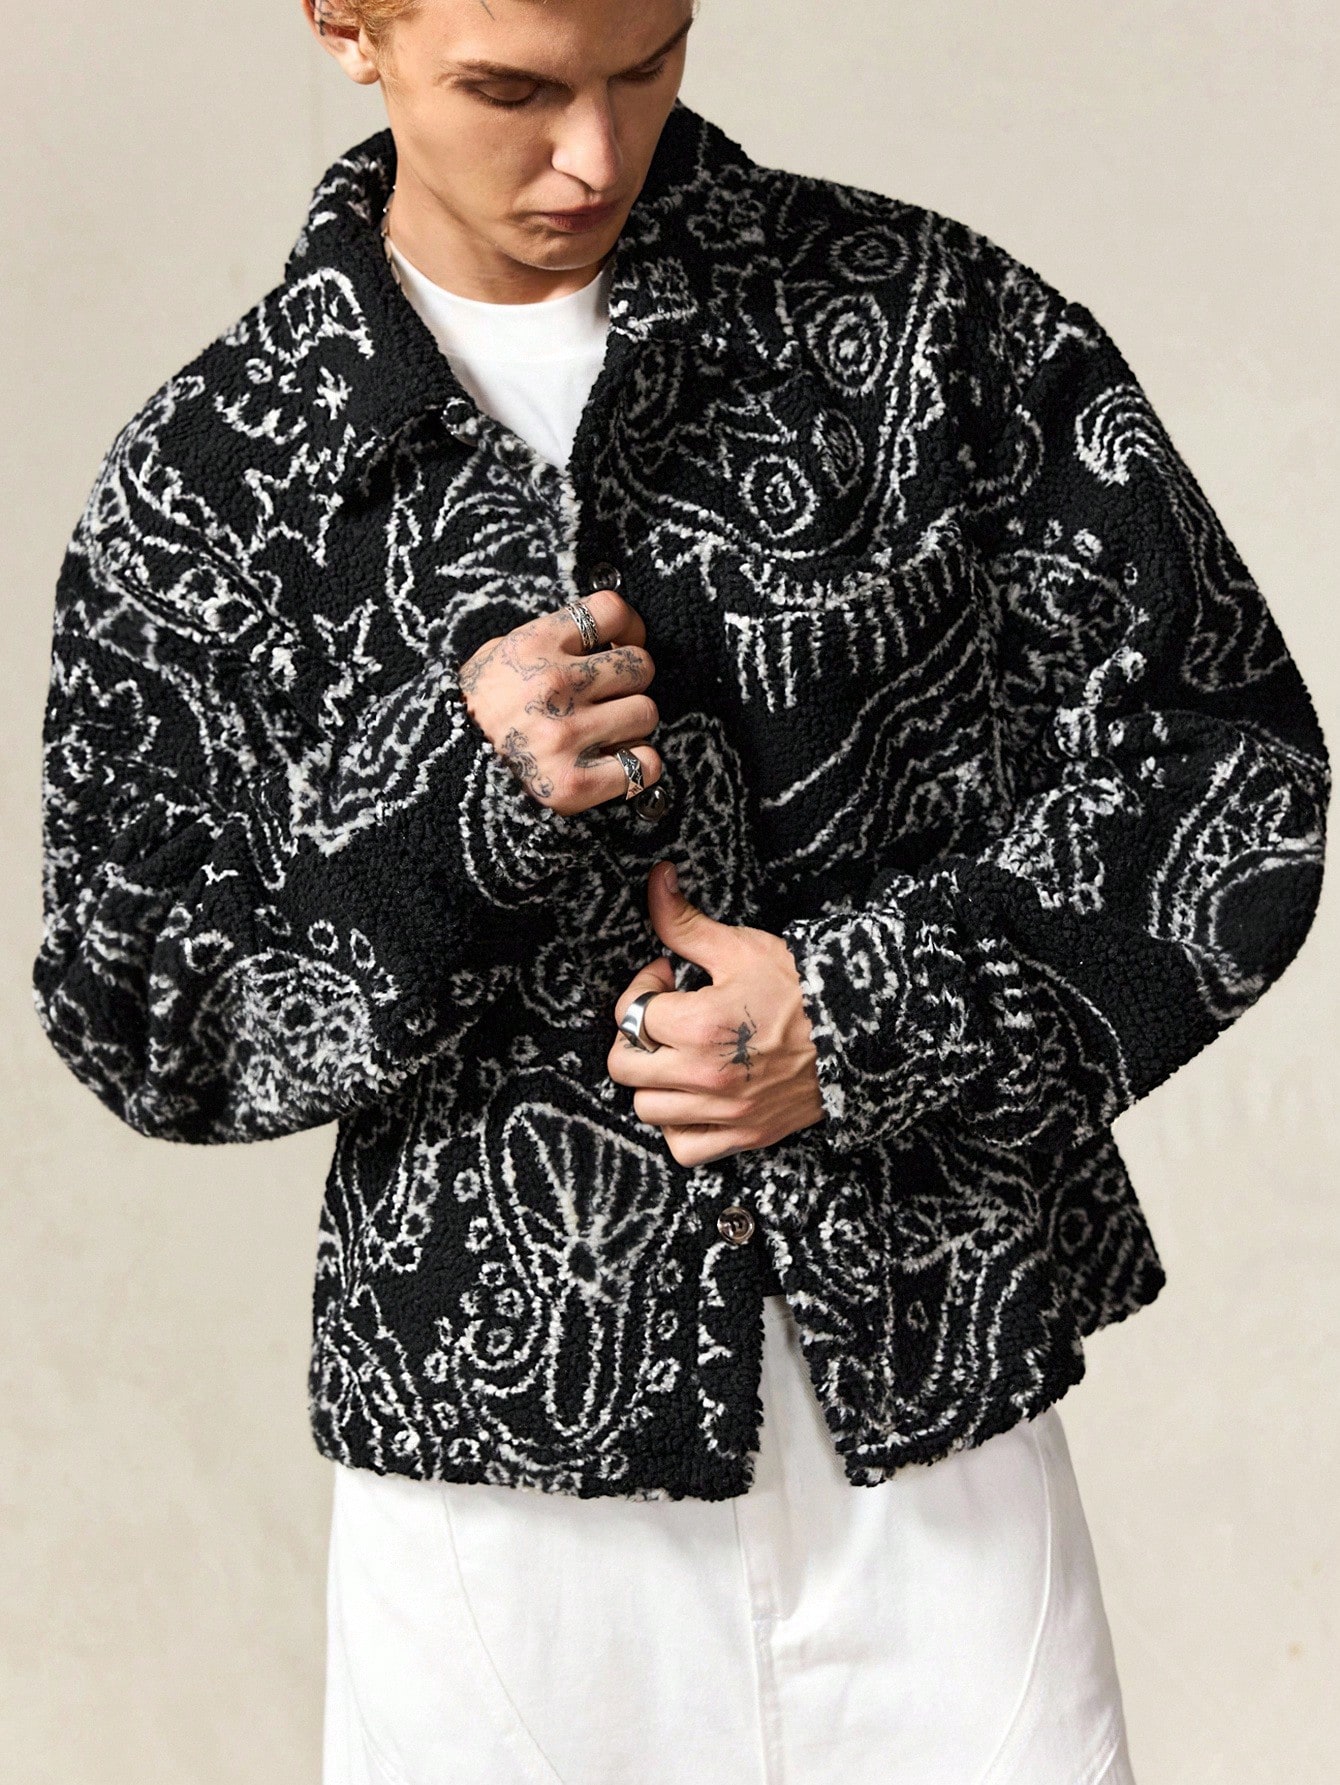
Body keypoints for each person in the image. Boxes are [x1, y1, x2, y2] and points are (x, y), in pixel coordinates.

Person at [32, 0, 1329, 1780]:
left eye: (646, 63)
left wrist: (861, 1016)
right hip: (496, 1510)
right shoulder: (215, 475)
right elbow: (143, 1007)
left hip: (939, 1428)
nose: (593, 154)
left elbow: (1230, 770)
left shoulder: (925, 324)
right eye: (512, 87)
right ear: (346, 24)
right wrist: (460, 815)